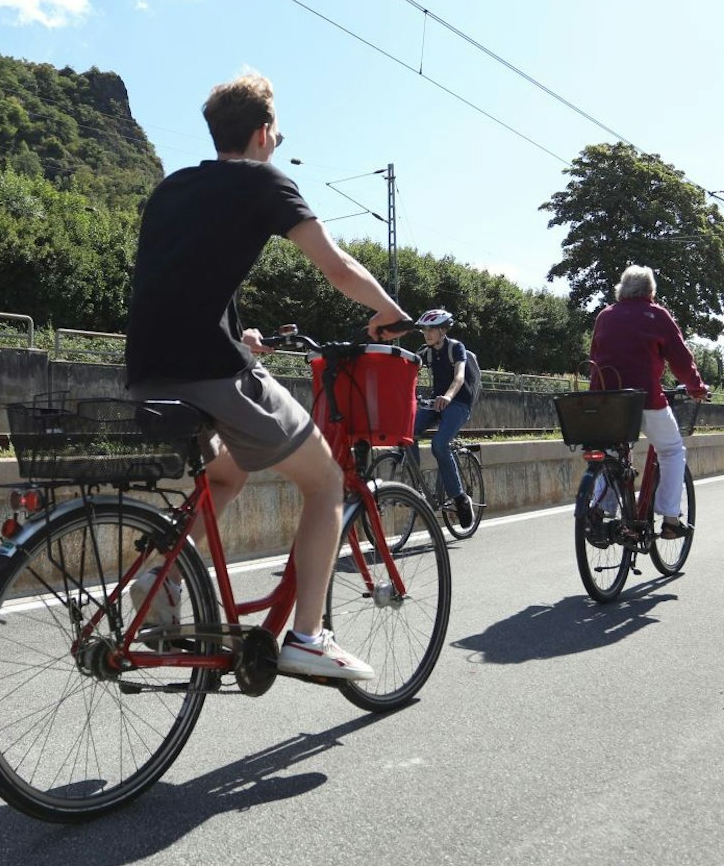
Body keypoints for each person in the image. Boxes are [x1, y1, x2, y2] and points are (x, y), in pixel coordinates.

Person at [123, 71, 413, 683]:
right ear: (262, 133)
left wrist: (240, 332)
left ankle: (161, 572)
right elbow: (337, 267)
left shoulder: (173, 187)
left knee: (227, 470)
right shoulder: (264, 181)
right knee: (326, 481)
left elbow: (181, 284)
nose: (276, 143)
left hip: (148, 369)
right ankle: (307, 635)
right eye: (276, 133)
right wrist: (388, 310)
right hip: (208, 368)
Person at [587, 264, 709, 539]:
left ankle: (600, 510)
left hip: (606, 401)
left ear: (622, 290)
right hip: (646, 399)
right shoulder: (656, 315)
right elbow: (680, 358)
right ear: (650, 292)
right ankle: (669, 519)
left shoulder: (605, 315)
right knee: (671, 450)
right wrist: (696, 387)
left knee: (610, 454)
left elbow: (595, 356)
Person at [411, 308, 480, 528]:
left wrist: (448, 397)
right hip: (436, 401)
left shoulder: (455, 347)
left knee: (439, 444)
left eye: (431, 329)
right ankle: (415, 489)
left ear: (443, 330)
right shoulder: (426, 352)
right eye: (424, 330)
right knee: (407, 433)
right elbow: (408, 371)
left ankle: (460, 499)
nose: (427, 334)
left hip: (458, 402)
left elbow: (459, 377)